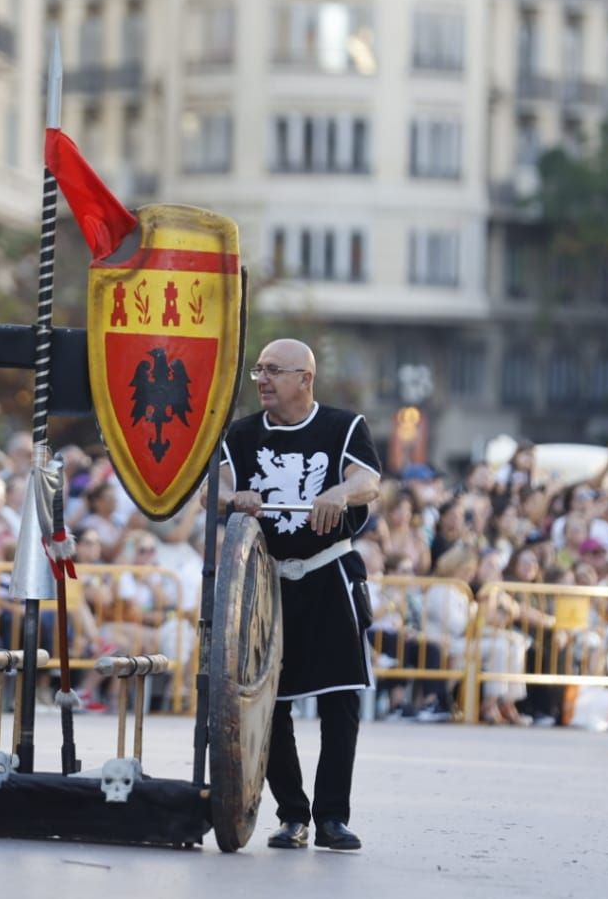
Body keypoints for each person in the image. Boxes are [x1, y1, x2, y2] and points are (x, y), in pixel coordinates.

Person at [219, 338, 381, 853]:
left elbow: (369, 481)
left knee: (340, 701)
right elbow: (214, 490)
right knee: (270, 704)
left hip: (327, 571)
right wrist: (234, 497)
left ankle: (333, 816)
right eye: (258, 370)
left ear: (305, 378)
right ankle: (293, 815)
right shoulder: (242, 435)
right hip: (267, 581)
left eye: (274, 371)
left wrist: (338, 492)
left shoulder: (342, 427)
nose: (262, 379)